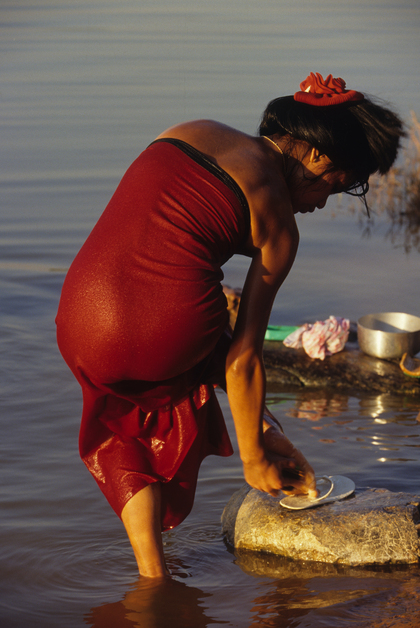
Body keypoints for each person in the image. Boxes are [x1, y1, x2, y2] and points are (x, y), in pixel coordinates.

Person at [56, 72, 404, 578]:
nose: (328, 201)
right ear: (316, 156)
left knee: (123, 420)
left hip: (76, 317)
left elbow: (154, 233)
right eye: (342, 184)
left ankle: (153, 580)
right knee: (193, 363)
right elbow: (242, 359)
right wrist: (251, 458)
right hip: (166, 328)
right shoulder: (280, 226)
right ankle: (265, 441)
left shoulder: (192, 128)